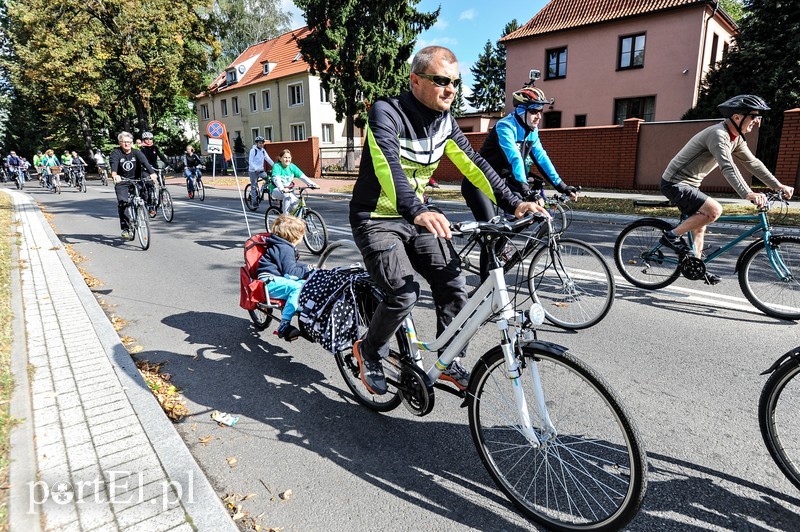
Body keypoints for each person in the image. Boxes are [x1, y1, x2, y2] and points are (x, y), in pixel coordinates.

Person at [349, 45, 546, 395]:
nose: (451, 89)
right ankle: (369, 350)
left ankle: (449, 360)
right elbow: (388, 168)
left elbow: (475, 165)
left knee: (455, 286)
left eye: (456, 82)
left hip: (417, 218)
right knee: (402, 293)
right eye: (441, 80)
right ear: (415, 81)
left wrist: (516, 203)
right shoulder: (386, 112)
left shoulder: (447, 123)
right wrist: (418, 209)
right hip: (377, 218)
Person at [659, 94, 795, 284]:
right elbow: (727, 166)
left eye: (758, 117)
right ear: (737, 117)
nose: (756, 121)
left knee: (700, 226)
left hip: (690, 184)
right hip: (675, 183)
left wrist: (777, 185)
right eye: (754, 116)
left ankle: (696, 267)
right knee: (714, 210)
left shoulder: (735, 138)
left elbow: (752, 163)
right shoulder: (718, 134)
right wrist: (748, 193)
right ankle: (671, 236)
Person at [464, 85, 579, 280]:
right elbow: (515, 159)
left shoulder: (531, 131)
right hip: (479, 184)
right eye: (534, 111)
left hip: (501, 183)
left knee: (527, 215)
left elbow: (541, 158)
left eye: (540, 111)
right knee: (492, 234)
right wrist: (526, 191)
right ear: (520, 111)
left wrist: (562, 185)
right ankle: (486, 289)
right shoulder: (505, 126)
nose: (538, 116)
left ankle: (501, 246)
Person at [256, 214, 312, 341]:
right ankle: (284, 323)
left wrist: (307, 268)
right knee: (298, 287)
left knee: (307, 284)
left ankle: (299, 309)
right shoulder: (284, 248)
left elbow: (291, 267)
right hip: (268, 282)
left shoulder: (283, 245)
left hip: (278, 278)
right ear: (294, 235)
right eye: (302, 234)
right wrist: (308, 269)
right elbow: (291, 271)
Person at [109, 132, 158, 238]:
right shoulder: (116, 153)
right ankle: (126, 228)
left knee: (145, 194)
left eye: (129, 142)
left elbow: (145, 163)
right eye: (124, 142)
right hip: (122, 181)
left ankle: (141, 211)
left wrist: (152, 173)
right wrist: (115, 175)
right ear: (120, 143)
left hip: (137, 179)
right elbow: (113, 166)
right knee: (123, 203)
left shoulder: (137, 152)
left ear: (132, 143)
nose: (127, 144)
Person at [270, 149, 319, 213]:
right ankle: (285, 217)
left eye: (289, 158)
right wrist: (282, 188)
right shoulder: (277, 166)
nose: (287, 159)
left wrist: (313, 184)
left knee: (297, 207)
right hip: (276, 190)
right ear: (280, 158)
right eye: (285, 157)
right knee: (286, 196)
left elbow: (302, 177)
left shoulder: (292, 167)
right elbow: (276, 179)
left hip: (289, 190)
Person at [248, 136, 274, 206]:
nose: (261, 144)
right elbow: (250, 162)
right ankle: (254, 202)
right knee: (254, 186)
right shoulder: (253, 150)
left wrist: (275, 166)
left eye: (262, 143)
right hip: (253, 171)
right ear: (256, 143)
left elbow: (268, 159)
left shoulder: (263, 151)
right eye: (259, 143)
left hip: (261, 171)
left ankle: (262, 190)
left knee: (269, 180)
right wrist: (255, 168)